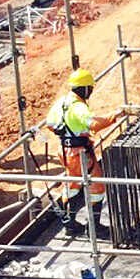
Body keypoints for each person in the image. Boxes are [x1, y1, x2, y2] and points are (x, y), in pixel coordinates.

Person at [44, 69, 121, 229]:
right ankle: (94, 228)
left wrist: (67, 132)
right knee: (97, 188)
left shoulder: (62, 102)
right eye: (90, 88)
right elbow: (94, 124)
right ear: (85, 88)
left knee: (72, 185)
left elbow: (50, 124)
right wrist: (114, 116)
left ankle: (69, 224)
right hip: (79, 154)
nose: (91, 91)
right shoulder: (78, 107)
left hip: (65, 150)